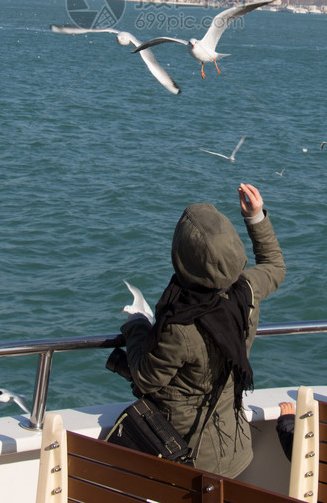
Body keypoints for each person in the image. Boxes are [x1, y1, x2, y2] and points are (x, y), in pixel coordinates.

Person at [121, 182, 286, 479]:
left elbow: (146, 378)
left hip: (188, 456)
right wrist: (255, 217)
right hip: (235, 445)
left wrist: (137, 325)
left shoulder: (180, 327)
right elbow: (274, 265)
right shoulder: (246, 291)